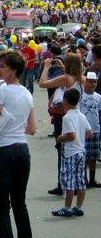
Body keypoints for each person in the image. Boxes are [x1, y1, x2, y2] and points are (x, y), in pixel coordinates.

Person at [0, 50, 36, 238]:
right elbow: (32, 128)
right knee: (19, 202)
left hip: (3, 150)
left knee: (1, 206)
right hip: (23, 149)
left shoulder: (1, 91)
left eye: (3, 66)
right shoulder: (27, 93)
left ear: (14, 70)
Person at [39, 53, 85, 195]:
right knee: (77, 149)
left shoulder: (65, 79)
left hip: (64, 116)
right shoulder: (81, 79)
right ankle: (77, 183)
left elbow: (43, 83)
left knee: (63, 151)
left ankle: (63, 183)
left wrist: (46, 67)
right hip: (78, 116)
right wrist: (63, 67)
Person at [52, 87, 93, 217]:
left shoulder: (67, 117)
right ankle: (79, 206)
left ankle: (67, 207)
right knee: (80, 180)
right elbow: (90, 133)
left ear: (65, 101)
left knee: (69, 181)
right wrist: (81, 137)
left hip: (71, 152)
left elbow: (71, 135)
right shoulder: (82, 116)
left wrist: (61, 138)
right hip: (81, 151)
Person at [79, 72, 101, 187]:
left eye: (95, 82)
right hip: (83, 131)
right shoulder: (81, 96)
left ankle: (92, 179)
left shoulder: (98, 97)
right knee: (85, 157)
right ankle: (84, 179)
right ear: (86, 82)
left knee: (93, 157)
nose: (93, 84)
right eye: (90, 82)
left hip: (95, 129)